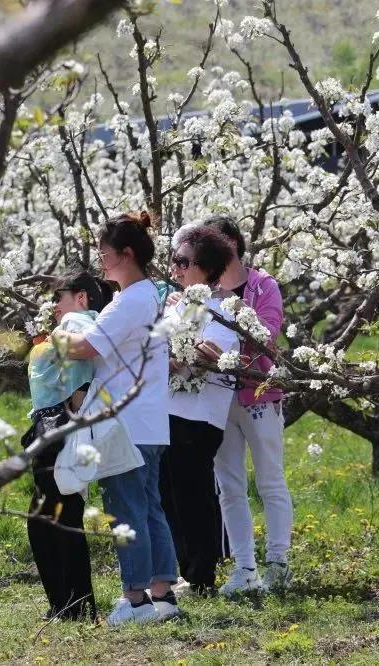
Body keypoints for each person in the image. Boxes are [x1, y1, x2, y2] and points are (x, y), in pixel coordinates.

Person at [55, 211, 178, 627]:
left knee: (127, 509)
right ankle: (162, 595)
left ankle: (136, 600)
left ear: (126, 254)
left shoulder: (134, 299)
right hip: (149, 420)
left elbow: (86, 347)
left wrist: (54, 335)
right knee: (149, 507)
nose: (101, 261)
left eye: (104, 254)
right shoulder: (149, 297)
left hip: (125, 422)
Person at [204, 216, 293, 596]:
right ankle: (244, 567)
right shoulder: (200, 292)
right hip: (217, 398)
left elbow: (268, 336)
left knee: (270, 480)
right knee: (230, 487)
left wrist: (234, 310)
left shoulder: (263, 286)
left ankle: (278, 563)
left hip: (259, 394)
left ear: (235, 244)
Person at [23, 270, 112, 621]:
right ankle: (74, 604)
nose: (54, 306)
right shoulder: (92, 322)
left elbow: (82, 374)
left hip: (55, 427)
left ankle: (70, 605)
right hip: (65, 426)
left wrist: (72, 408)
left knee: (49, 520)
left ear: (82, 297)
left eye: (58, 297)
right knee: (62, 516)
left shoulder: (76, 319)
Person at [159, 226, 239, 595]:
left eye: (182, 262)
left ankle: (201, 576)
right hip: (169, 413)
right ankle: (186, 571)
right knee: (170, 495)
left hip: (199, 418)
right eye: (174, 260)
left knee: (193, 496)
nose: (174, 269)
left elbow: (212, 358)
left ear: (205, 268)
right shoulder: (180, 308)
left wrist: (186, 356)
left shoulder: (221, 314)